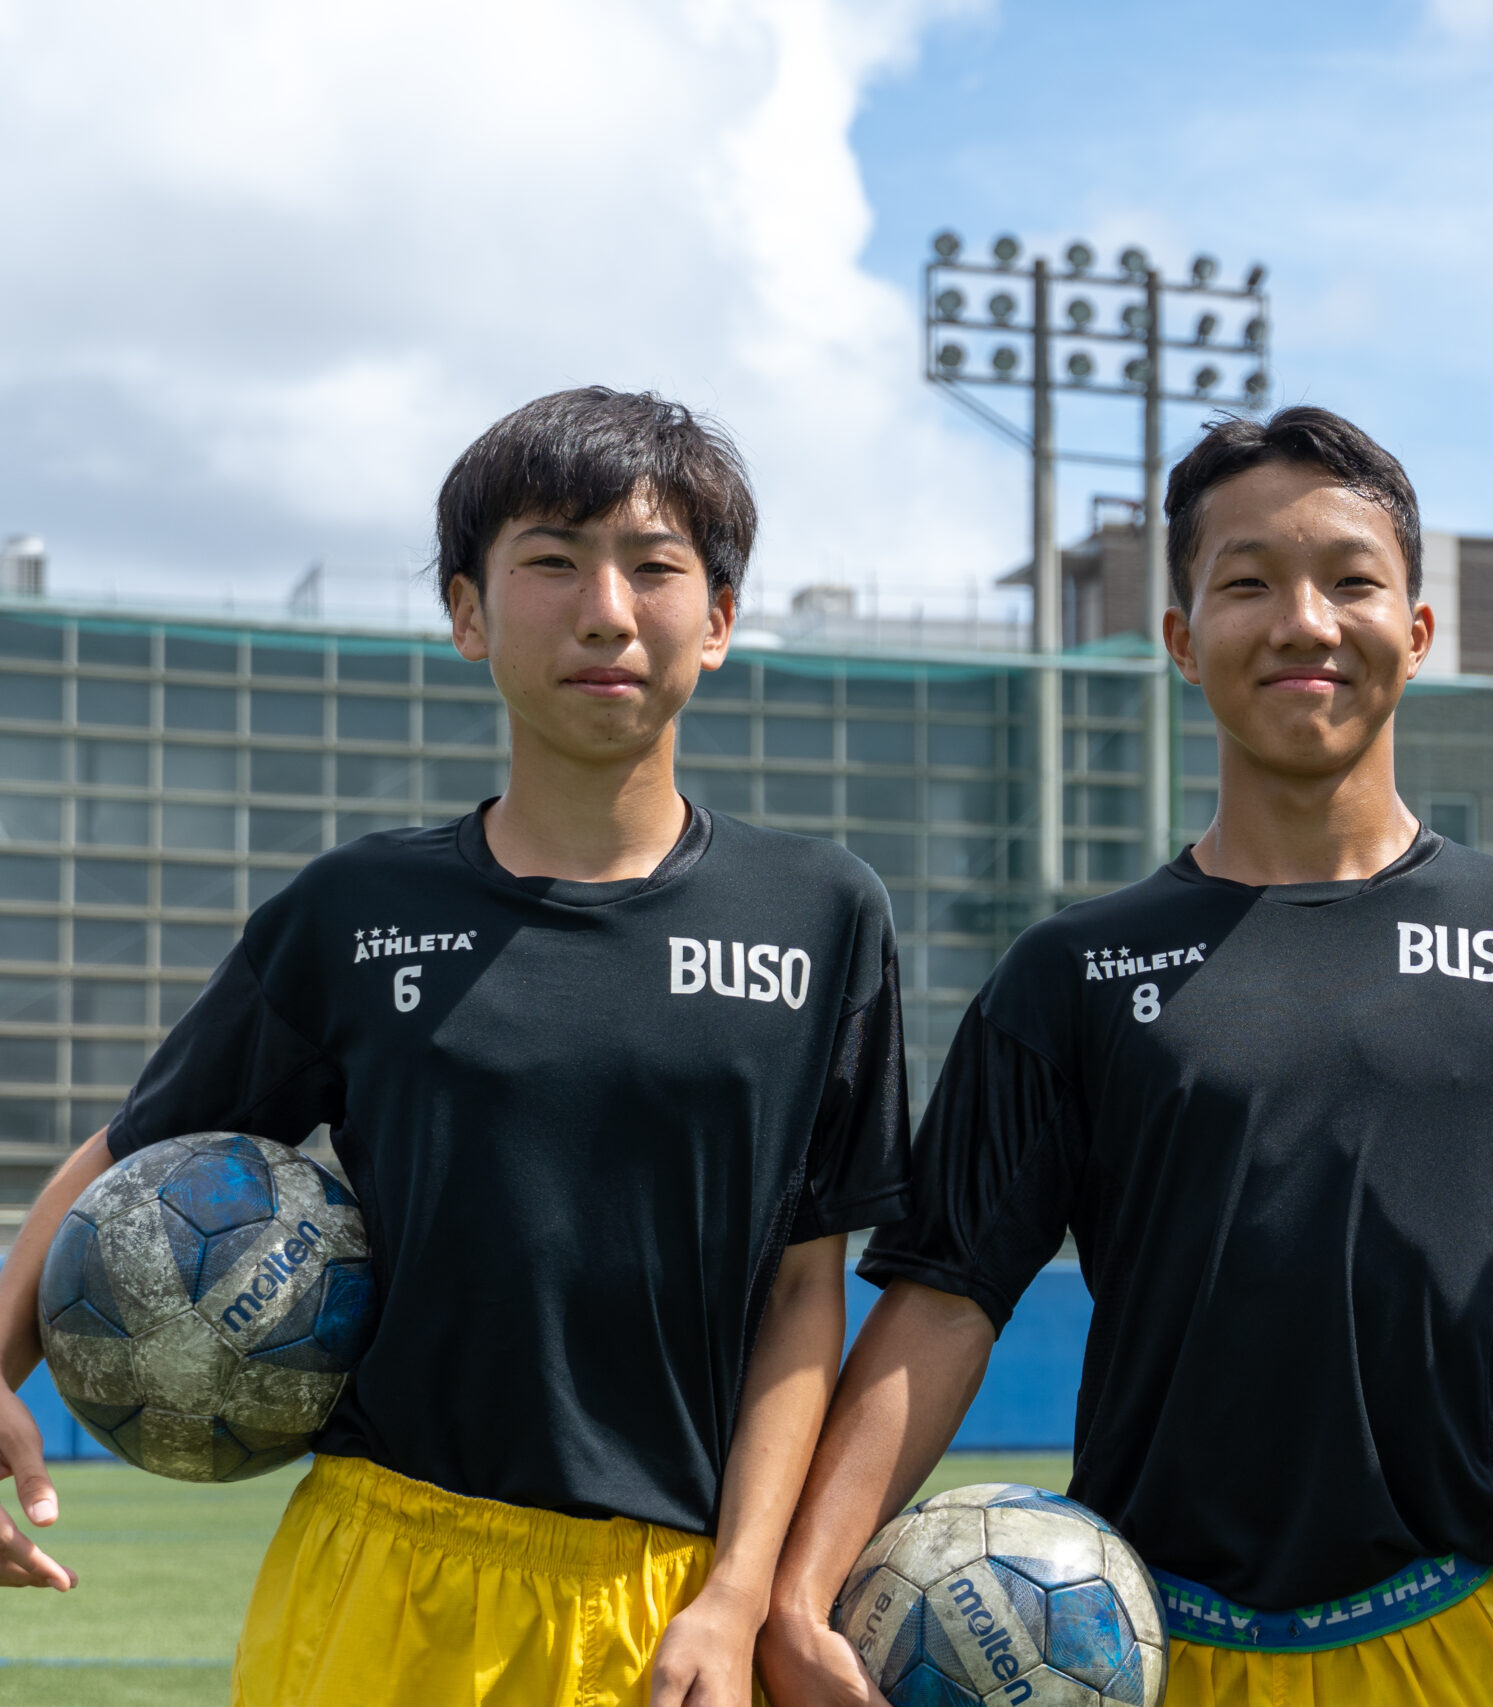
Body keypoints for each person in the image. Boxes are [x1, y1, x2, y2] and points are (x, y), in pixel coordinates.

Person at [755, 405, 1493, 1706]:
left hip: (1449, 1643)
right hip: (1143, 1652)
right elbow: (944, 1300)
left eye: (1352, 581)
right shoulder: (1070, 973)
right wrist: (797, 1596)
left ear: (1419, 631)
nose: (1305, 622)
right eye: (1249, 583)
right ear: (1182, 641)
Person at [0, 386, 912, 1707]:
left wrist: (742, 1594)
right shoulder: (354, 910)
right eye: (552, 562)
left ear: (718, 620)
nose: (607, 610)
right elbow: (134, 1153)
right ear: (468, 613)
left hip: (671, 1615)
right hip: (382, 1574)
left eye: (656, 568)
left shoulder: (820, 915)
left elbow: (802, 1292)